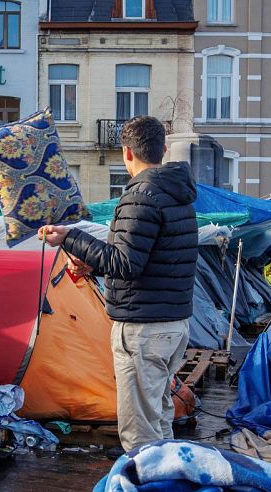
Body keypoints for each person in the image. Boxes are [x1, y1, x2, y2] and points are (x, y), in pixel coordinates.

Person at [38, 115, 199, 455]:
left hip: (144, 330)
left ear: (126, 152)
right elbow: (150, 260)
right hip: (173, 323)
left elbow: (125, 263)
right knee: (159, 420)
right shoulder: (178, 194)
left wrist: (70, 237)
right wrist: (93, 262)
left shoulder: (140, 195)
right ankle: (167, 486)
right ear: (163, 150)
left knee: (139, 433)